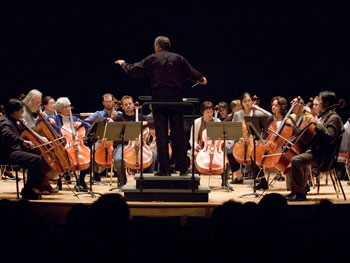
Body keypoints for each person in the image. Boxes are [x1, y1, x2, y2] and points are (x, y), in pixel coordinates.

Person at [115, 36, 207, 176]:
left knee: (162, 134)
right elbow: (191, 72)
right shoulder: (178, 58)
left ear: (157, 46)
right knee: (178, 134)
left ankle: (164, 169)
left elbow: (135, 69)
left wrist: (123, 64)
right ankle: (183, 168)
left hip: (159, 99)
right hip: (175, 99)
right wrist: (201, 78)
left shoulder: (153, 58)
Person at [285, 91, 344, 201]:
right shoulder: (322, 116)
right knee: (294, 157)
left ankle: (299, 193)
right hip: (316, 151)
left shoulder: (333, 118)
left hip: (323, 155)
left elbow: (330, 138)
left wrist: (318, 124)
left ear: (326, 103)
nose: (314, 106)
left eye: (318, 102)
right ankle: (297, 191)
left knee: (296, 160)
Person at [0, 99, 42, 200]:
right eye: (21, 111)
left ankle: (33, 187)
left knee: (39, 156)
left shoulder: (14, 121)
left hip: (14, 150)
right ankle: (28, 190)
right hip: (7, 153)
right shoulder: (5, 122)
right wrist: (22, 141)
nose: (22, 113)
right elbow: (7, 134)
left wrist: (22, 126)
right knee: (35, 159)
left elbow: (16, 133)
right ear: (14, 111)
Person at [111, 95, 157, 186]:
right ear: (122, 107)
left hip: (141, 145)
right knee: (118, 160)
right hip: (124, 145)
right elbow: (109, 121)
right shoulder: (119, 117)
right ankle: (122, 178)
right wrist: (110, 120)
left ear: (133, 105)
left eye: (130, 103)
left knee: (154, 154)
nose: (128, 105)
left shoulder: (140, 116)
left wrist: (146, 122)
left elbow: (154, 122)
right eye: (126, 104)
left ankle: (146, 179)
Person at [47, 97, 91, 190]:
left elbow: (89, 126)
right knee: (58, 156)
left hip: (76, 145)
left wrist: (81, 124)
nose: (68, 109)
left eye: (69, 106)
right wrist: (49, 121)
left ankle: (81, 181)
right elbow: (46, 120)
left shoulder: (74, 119)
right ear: (59, 109)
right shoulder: (55, 118)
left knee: (87, 156)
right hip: (61, 146)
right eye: (65, 107)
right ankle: (59, 183)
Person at [228, 92, 271, 183]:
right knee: (229, 152)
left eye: (249, 101)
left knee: (254, 154)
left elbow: (270, 116)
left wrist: (258, 108)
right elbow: (234, 130)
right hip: (241, 140)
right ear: (241, 103)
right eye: (245, 101)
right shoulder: (237, 114)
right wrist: (235, 139)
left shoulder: (257, 113)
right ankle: (238, 177)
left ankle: (260, 179)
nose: (247, 103)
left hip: (255, 140)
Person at [83, 93, 121, 182]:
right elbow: (86, 121)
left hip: (116, 140)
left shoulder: (119, 113)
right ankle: (96, 174)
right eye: (106, 102)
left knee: (121, 151)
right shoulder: (98, 114)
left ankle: (119, 173)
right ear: (103, 103)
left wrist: (116, 118)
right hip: (102, 140)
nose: (108, 103)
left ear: (113, 102)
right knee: (92, 150)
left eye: (110, 101)